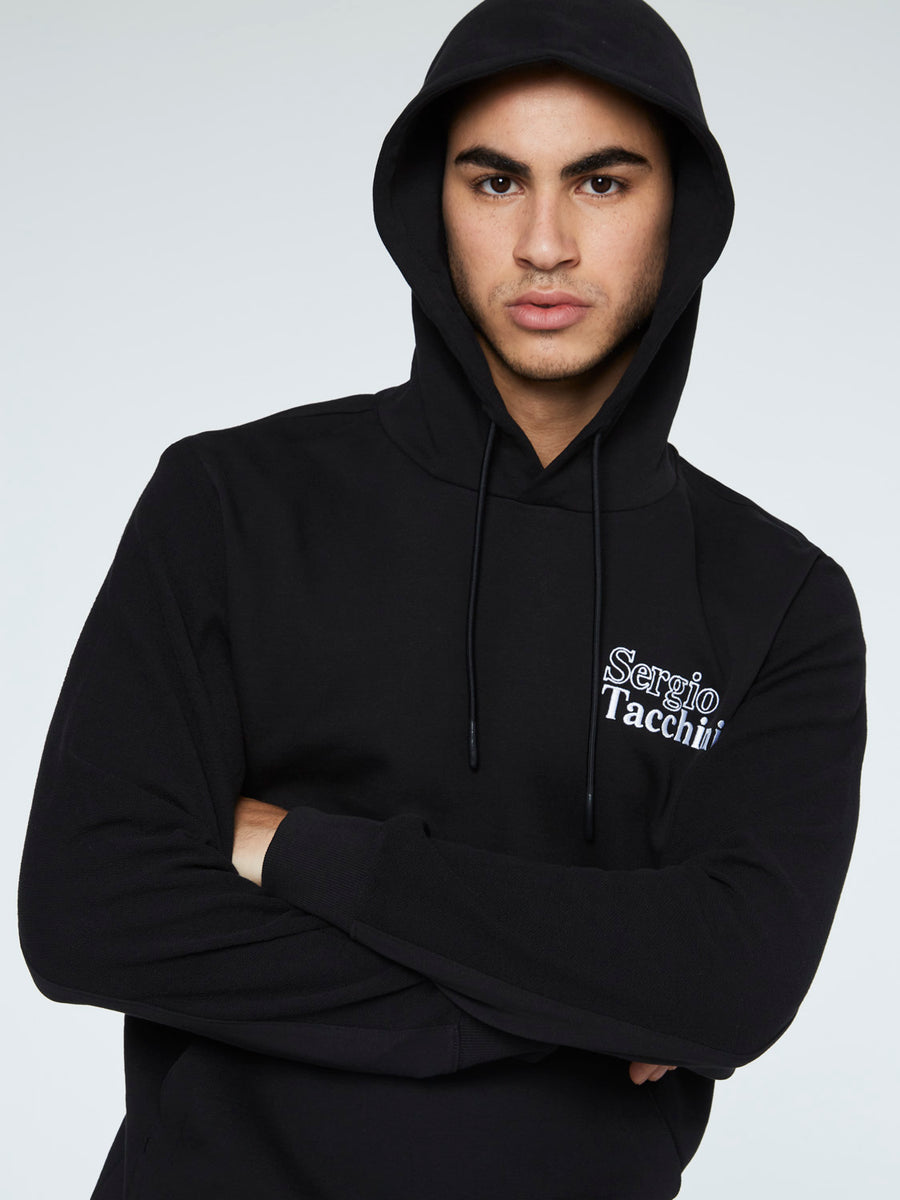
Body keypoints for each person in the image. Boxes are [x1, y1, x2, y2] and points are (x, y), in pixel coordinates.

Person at [18, 0, 866, 1197]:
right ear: (433, 203)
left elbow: (728, 985)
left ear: (682, 211)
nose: (544, 244)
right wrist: (581, 1010)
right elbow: (89, 911)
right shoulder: (231, 502)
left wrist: (305, 853)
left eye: (603, 183)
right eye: (496, 181)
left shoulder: (779, 601)